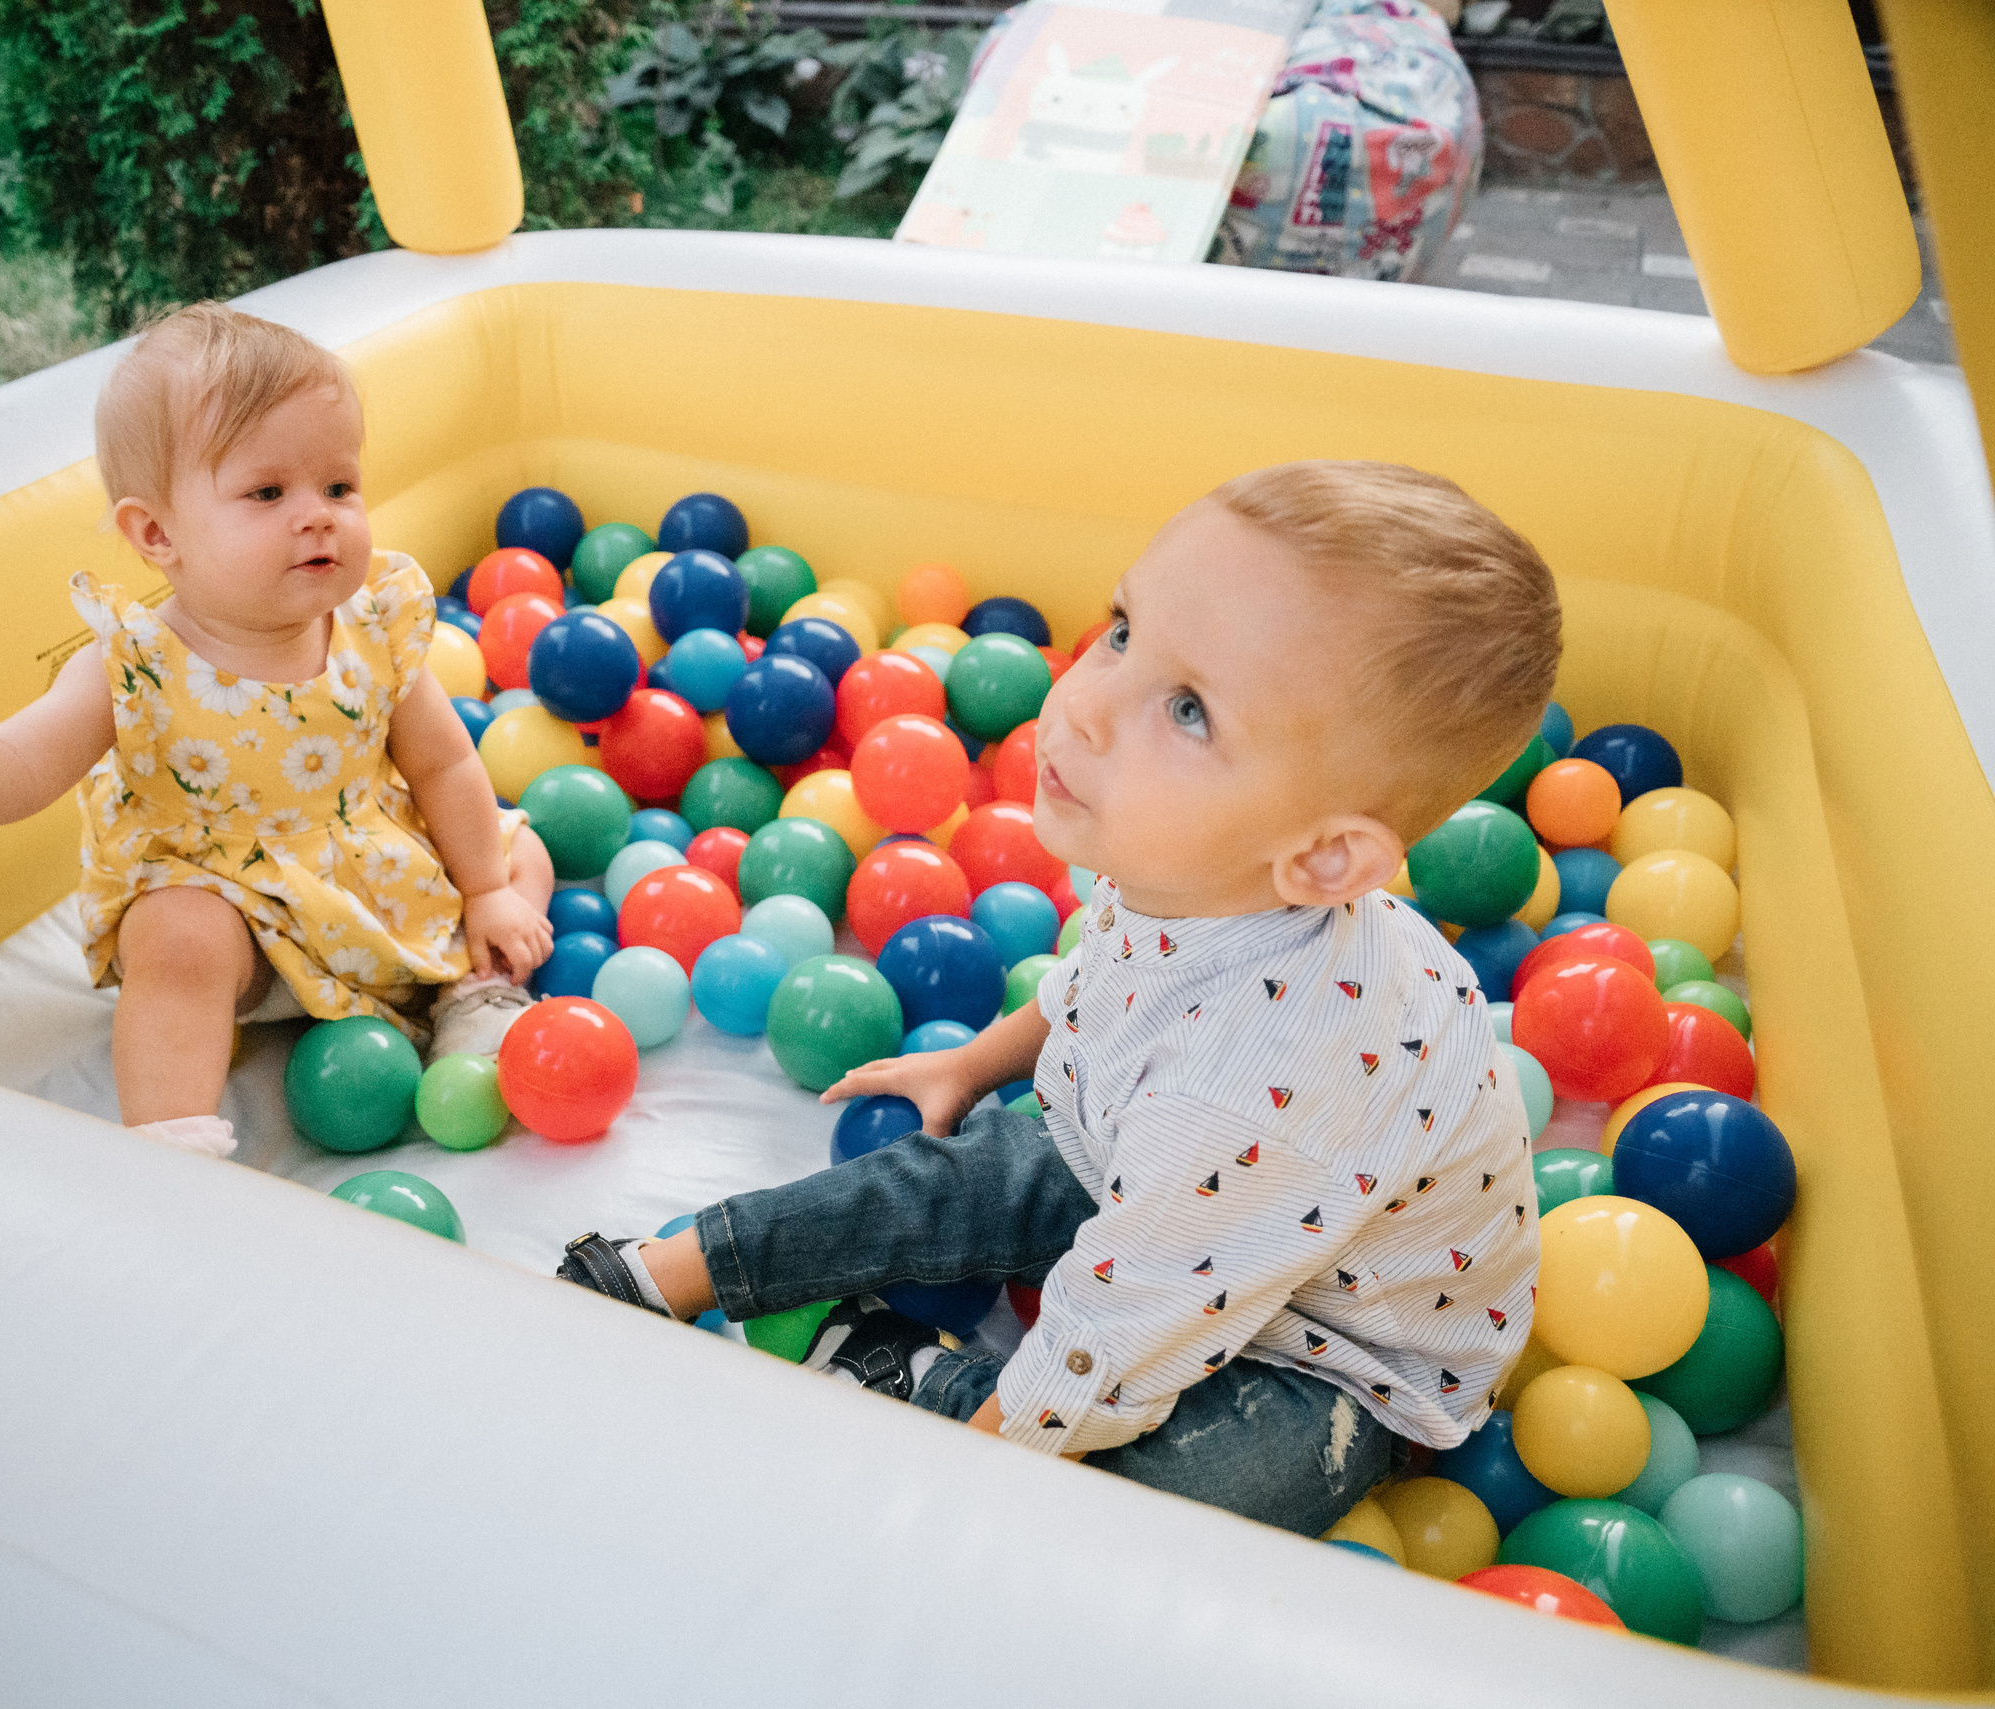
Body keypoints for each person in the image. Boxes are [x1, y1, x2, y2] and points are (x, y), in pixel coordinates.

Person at [557, 461, 1559, 1534]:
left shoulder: (1247, 1092)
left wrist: (976, 1466)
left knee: (1160, 1509)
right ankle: (663, 1270)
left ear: (1322, 859)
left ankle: (909, 1378)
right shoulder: (1193, 870)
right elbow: (1106, 982)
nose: (1080, 703)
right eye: (1122, 631)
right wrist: (973, 1061)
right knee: (942, 1178)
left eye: (1187, 710)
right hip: (1158, 1177)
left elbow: (1105, 1337)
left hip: (1335, 1353)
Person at [0, 303, 555, 1158]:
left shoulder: (373, 627)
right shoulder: (135, 667)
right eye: (268, 492)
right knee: (174, 933)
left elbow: (445, 765)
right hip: (241, 924)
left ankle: (476, 993)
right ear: (157, 533)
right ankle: (171, 1150)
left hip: (380, 883)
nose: (318, 515)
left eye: (339, 487)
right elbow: (13, 762)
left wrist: (484, 889)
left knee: (523, 854)